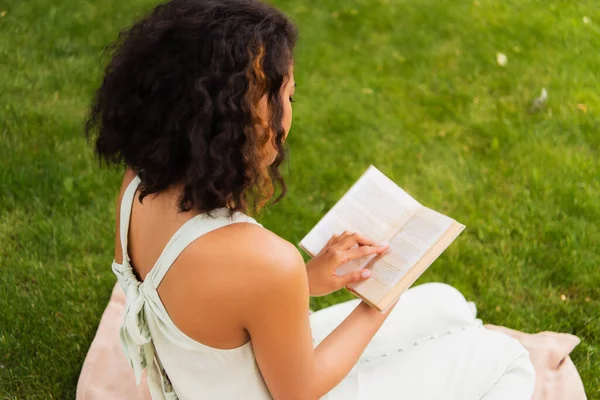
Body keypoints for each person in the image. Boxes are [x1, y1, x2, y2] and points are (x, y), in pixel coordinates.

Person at [78, 0, 586, 399]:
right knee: (504, 359)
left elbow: (207, 306)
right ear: (241, 121)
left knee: (451, 306)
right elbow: (300, 391)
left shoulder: (135, 188)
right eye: (288, 96)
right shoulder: (262, 260)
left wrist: (309, 279)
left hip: (213, 383)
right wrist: (378, 302)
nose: (291, 111)